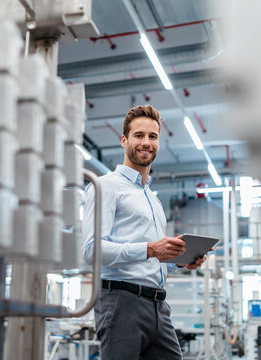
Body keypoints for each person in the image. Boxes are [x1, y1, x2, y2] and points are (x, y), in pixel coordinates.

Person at [82, 104, 208, 360]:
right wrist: (150, 248)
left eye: (153, 136)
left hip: (158, 306)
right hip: (121, 302)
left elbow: (153, 261)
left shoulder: (153, 199)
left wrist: (182, 260)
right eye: (139, 135)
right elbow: (91, 250)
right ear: (124, 140)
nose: (146, 142)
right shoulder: (105, 187)